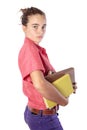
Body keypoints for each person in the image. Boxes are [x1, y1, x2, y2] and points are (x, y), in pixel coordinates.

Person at [18, 7, 77, 130]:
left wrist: (66, 86)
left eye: (43, 26)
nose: (41, 31)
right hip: (43, 117)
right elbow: (40, 84)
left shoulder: (35, 49)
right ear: (24, 27)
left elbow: (46, 78)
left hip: (38, 113)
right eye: (35, 26)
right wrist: (63, 101)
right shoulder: (30, 51)